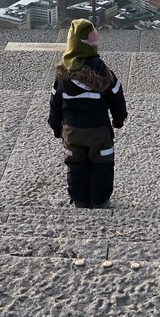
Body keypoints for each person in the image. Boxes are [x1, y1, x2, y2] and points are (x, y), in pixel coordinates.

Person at [48, 18, 127, 209]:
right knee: (102, 165)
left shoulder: (62, 76)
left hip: (71, 130)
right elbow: (117, 98)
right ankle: (99, 200)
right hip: (99, 131)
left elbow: (55, 104)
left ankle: (79, 199)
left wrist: (56, 128)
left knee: (76, 166)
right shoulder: (104, 73)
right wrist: (118, 120)